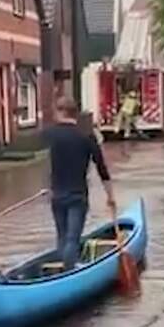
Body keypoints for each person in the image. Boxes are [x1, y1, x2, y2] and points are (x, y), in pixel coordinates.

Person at [44, 97, 116, 270]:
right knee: (72, 238)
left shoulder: (50, 135)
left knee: (62, 236)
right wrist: (110, 197)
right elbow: (102, 168)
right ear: (74, 114)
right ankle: (68, 274)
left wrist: (48, 187)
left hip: (57, 196)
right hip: (77, 196)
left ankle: (62, 270)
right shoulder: (86, 137)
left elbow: (49, 164)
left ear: (61, 112)